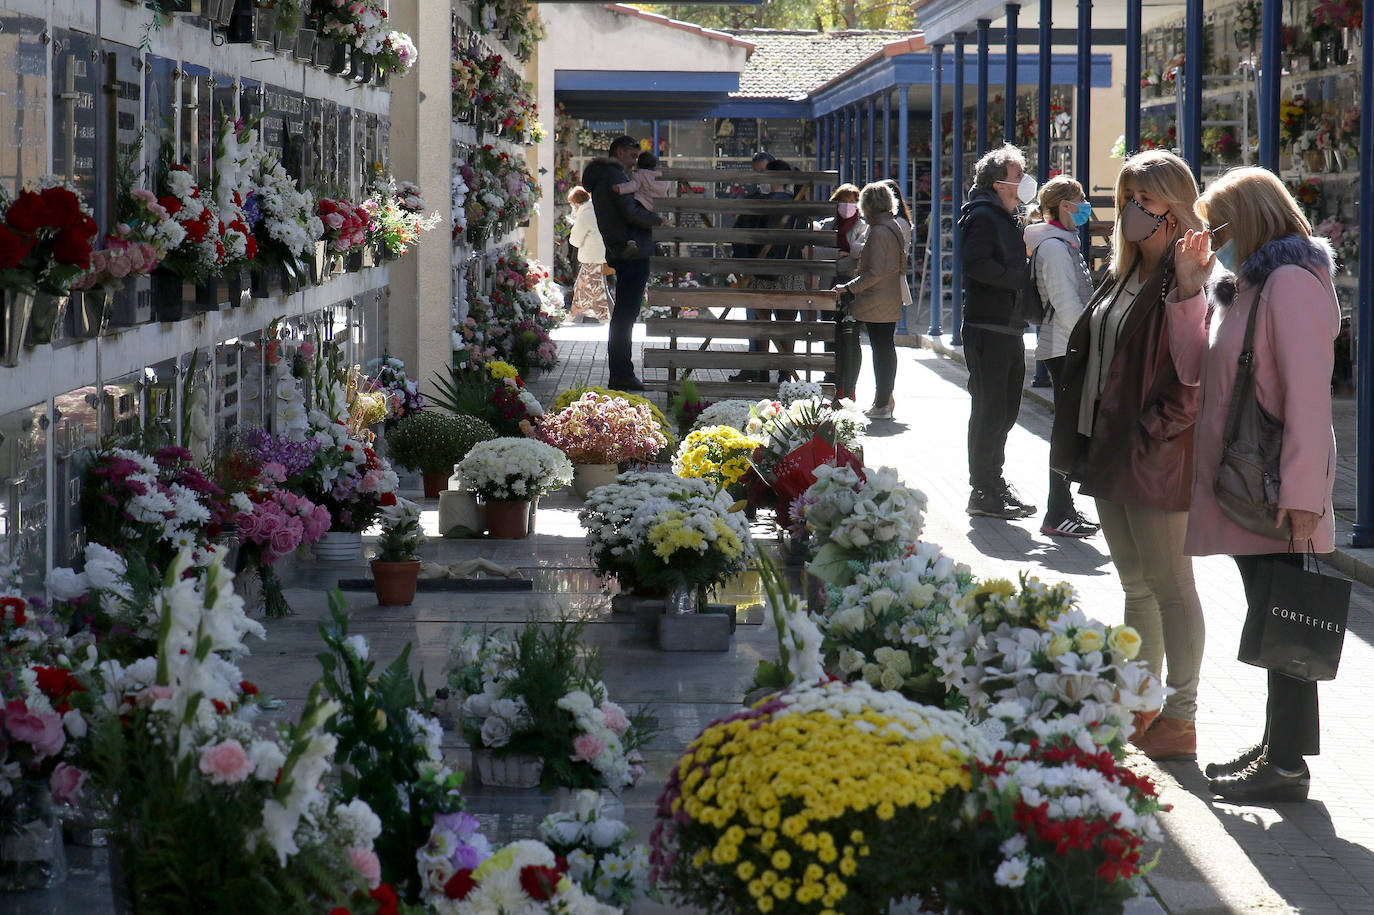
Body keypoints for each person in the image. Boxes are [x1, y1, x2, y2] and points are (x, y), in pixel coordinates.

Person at [1167, 167, 1340, 802]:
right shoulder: (1242, 286)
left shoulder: (1292, 284)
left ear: (1251, 220)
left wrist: (1303, 498)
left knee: (1285, 622)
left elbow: (1308, 399)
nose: (1212, 239)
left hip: (1273, 493)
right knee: (1270, 619)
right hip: (1242, 488)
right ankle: (1277, 747)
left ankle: (1288, 762)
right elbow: (1194, 372)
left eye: (1220, 226)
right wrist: (1190, 293)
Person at [1049, 149, 1206, 761]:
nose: (1133, 211)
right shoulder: (1122, 273)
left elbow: (1193, 379)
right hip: (1107, 449)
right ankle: (1140, 702)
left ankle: (1183, 712)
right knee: (1136, 587)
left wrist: (1150, 433)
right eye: (1128, 198)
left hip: (1153, 454)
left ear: (1177, 207)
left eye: (1148, 200)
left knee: (1172, 586)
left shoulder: (1188, 277)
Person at [958, 144, 1036, 519]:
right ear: (998, 182)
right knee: (990, 411)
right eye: (1018, 176)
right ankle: (983, 489)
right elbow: (975, 265)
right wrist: (1020, 278)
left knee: (1004, 410)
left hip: (1007, 326)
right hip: (988, 327)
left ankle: (993, 481)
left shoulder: (1005, 217)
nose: (1024, 182)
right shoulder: (984, 216)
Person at [1025, 176, 1099, 538]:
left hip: (1067, 345)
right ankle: (1056, 512)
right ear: (1062, 206)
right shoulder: (1054, 247)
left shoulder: (1063, 242)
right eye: (1079, 200)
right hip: (1065, 347)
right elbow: (1066, 302)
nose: (1084, 206)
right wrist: (1092, 339)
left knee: (1068, 429)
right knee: (1066, 430)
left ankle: (1064, 507)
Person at [582, 136, 662, 390]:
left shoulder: (604, 176)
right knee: (626, 315)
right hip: (631, 250)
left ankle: (621, 371)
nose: (635, 163)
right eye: (632, 156)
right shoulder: (614, 176)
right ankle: (622, 373)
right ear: (619, 152)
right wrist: (659, 220)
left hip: (621, 249)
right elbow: (631, 212)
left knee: (624, 315)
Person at [832, 181, 909, 420]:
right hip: (889, 297)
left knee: (881, 350)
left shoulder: (878, 231)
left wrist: (847, 288)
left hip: (877, 299)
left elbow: (873, 273)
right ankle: (883, 400)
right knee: (885, 348)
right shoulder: (893, 226)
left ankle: (882, 403)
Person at [566, 186, 612, 324]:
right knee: (594, 288)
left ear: (575, 203)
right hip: (599, 256)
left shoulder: (585, 215)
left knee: (592, 289)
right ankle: (575, 317)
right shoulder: (595, 211)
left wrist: (574, 223)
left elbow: (575, 240)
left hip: (591, 257)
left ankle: (577, 318)